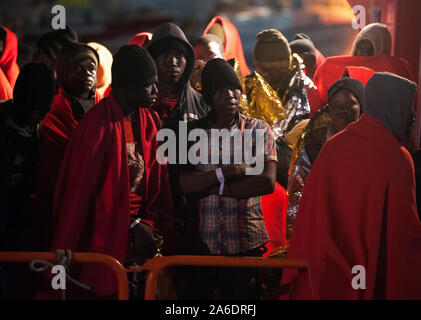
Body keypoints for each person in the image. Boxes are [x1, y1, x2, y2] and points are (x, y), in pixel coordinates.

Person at [281, 72, 421, 299]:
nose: (411, 116)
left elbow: (310, 215)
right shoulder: (398, 157)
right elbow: (402, 235)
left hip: (328, 271)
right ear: (394, 108)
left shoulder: (333, 146)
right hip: (369, 274)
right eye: (406, 108)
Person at [51, 45, 174, 299]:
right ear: (127, 86)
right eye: (148, 84)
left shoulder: (149, 120)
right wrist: (131, 226)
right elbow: (82, 197)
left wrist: (149, 223)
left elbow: (158, 183)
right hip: (104, 239)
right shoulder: (96, 126)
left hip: (142, 239)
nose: (155, 91)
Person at [175, 58, 277, 299]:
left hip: (245, 243)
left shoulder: (258, 130)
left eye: (234, 88)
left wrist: (213, 186)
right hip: (201, 245)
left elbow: (266, 182)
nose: (231, 95)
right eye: (221, 90)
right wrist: (227, 173)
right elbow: (184, 184)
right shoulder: (188, 132)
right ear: (209, 95)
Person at [0, 63, 54, 299]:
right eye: (31, 108)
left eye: (42, 110)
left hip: (21, 222)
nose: (35, 116)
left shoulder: (39, 128)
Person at [286, 77, 364, 239]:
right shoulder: (314, 141)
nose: (342, 110)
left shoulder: (370, 142)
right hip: (322, 225)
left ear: (362, 107)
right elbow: (298, 187)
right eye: (336, 105)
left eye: (350, 104)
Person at [35, 43, 101, 224]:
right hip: (61, 201)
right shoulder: (50, 112)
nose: (86, 73)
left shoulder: (107, 109)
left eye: (91, 68)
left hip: (100, 201)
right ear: (63, 71)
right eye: (77, 68)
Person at [148, 22, 209, 126]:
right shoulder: (140, 107)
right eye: (165, 55)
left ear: (188, 62)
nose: (172, 62)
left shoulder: (202, 105)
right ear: (153, 60)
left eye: (178, 56)